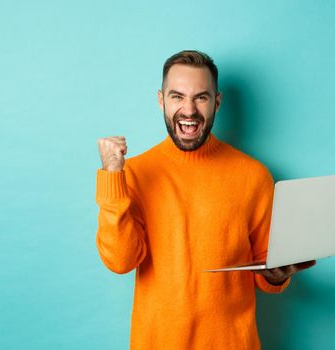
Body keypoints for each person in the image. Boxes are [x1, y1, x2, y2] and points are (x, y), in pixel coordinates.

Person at [95, 50, 316, 349]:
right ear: (162, 100)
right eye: (177, 96)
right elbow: (120, 262)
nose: (189, 110)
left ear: (217, 102)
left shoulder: (254, 176)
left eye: (201, 97)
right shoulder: (133, 173)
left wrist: (277, 276)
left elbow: (268, 273)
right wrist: (112, 176)